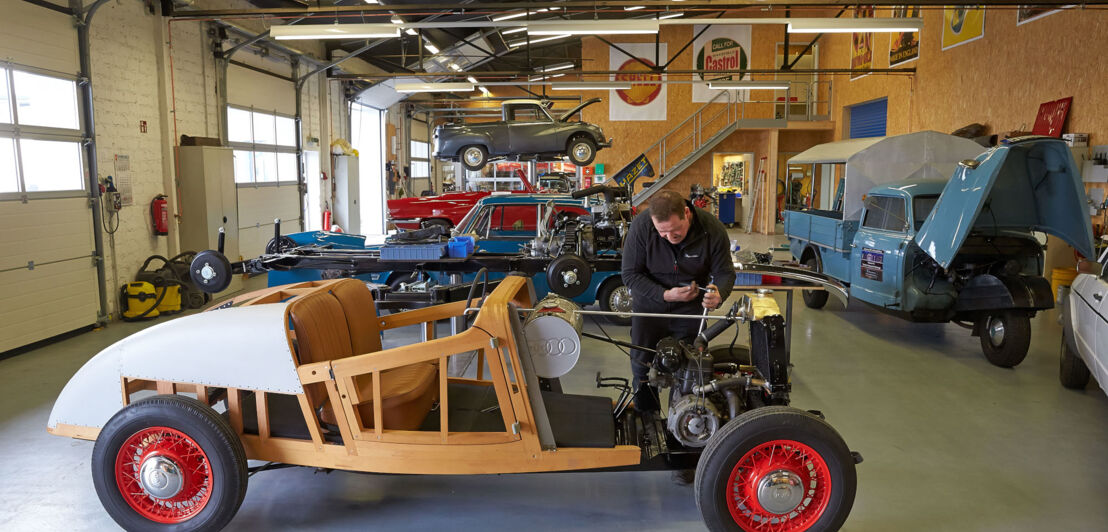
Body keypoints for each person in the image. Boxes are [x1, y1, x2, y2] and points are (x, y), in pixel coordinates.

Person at [620, 189, 736, 409]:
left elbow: (725, 273)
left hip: (690, 311)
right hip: (649, 310)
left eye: (675, 232)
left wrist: (719, 293)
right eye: (662, 233)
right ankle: (647, 420)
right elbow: (630, 274)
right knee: (642, 370)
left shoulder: (712, 229)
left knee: (690, 371)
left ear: (686, 213)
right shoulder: (641, 227)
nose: (669, 238)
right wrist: (664, 295)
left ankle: (683, 427)